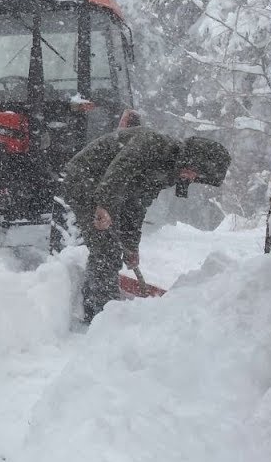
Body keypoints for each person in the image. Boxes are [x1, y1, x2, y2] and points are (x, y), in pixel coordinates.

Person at [55, 126, 230, 320]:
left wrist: (131, 246)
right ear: (191, 159)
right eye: (195, 172)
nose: (192, 178)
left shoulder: (169, 171)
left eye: (198, 178)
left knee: (111, 248)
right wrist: (104, 205)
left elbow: (136, 206)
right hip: (85, 180)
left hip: (107, 188)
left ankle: (97, 305)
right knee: (106, 249)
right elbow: (119, 171)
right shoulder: (151, 143)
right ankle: (101, 314)